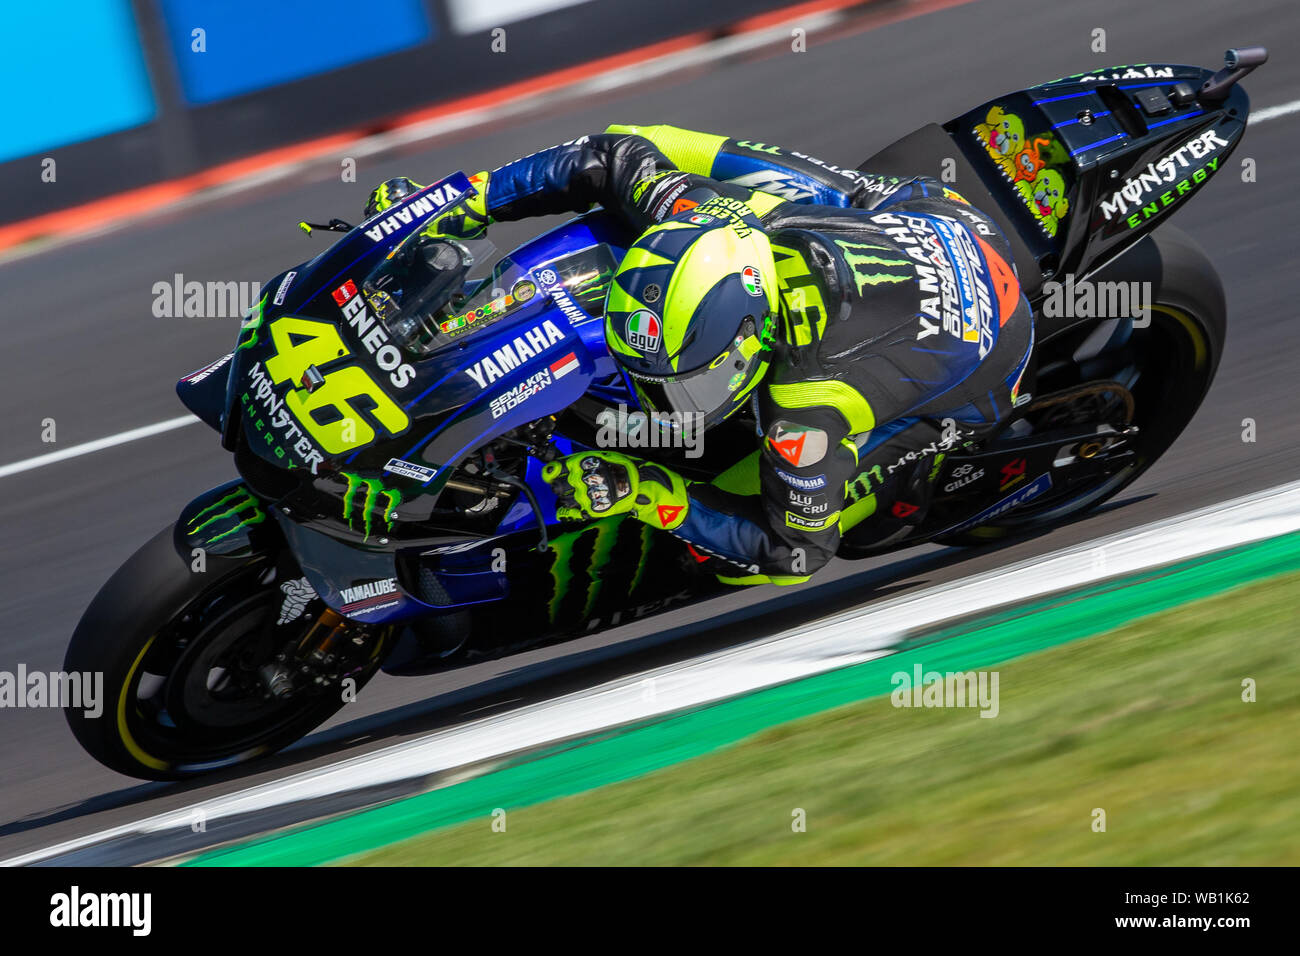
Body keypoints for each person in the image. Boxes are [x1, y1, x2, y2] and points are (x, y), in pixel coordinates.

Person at [365, 124, 1033, 585]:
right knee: (651, 140)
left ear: (748, 345)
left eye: (687, 384)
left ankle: (910, 472)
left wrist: (642, 489)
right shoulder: (703, 216)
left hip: (986, 357)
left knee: (735, 553)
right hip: (925, 213)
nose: (667, 405)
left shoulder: (809, 408)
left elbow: (795, 552)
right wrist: (458, 203)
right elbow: (607, 155)